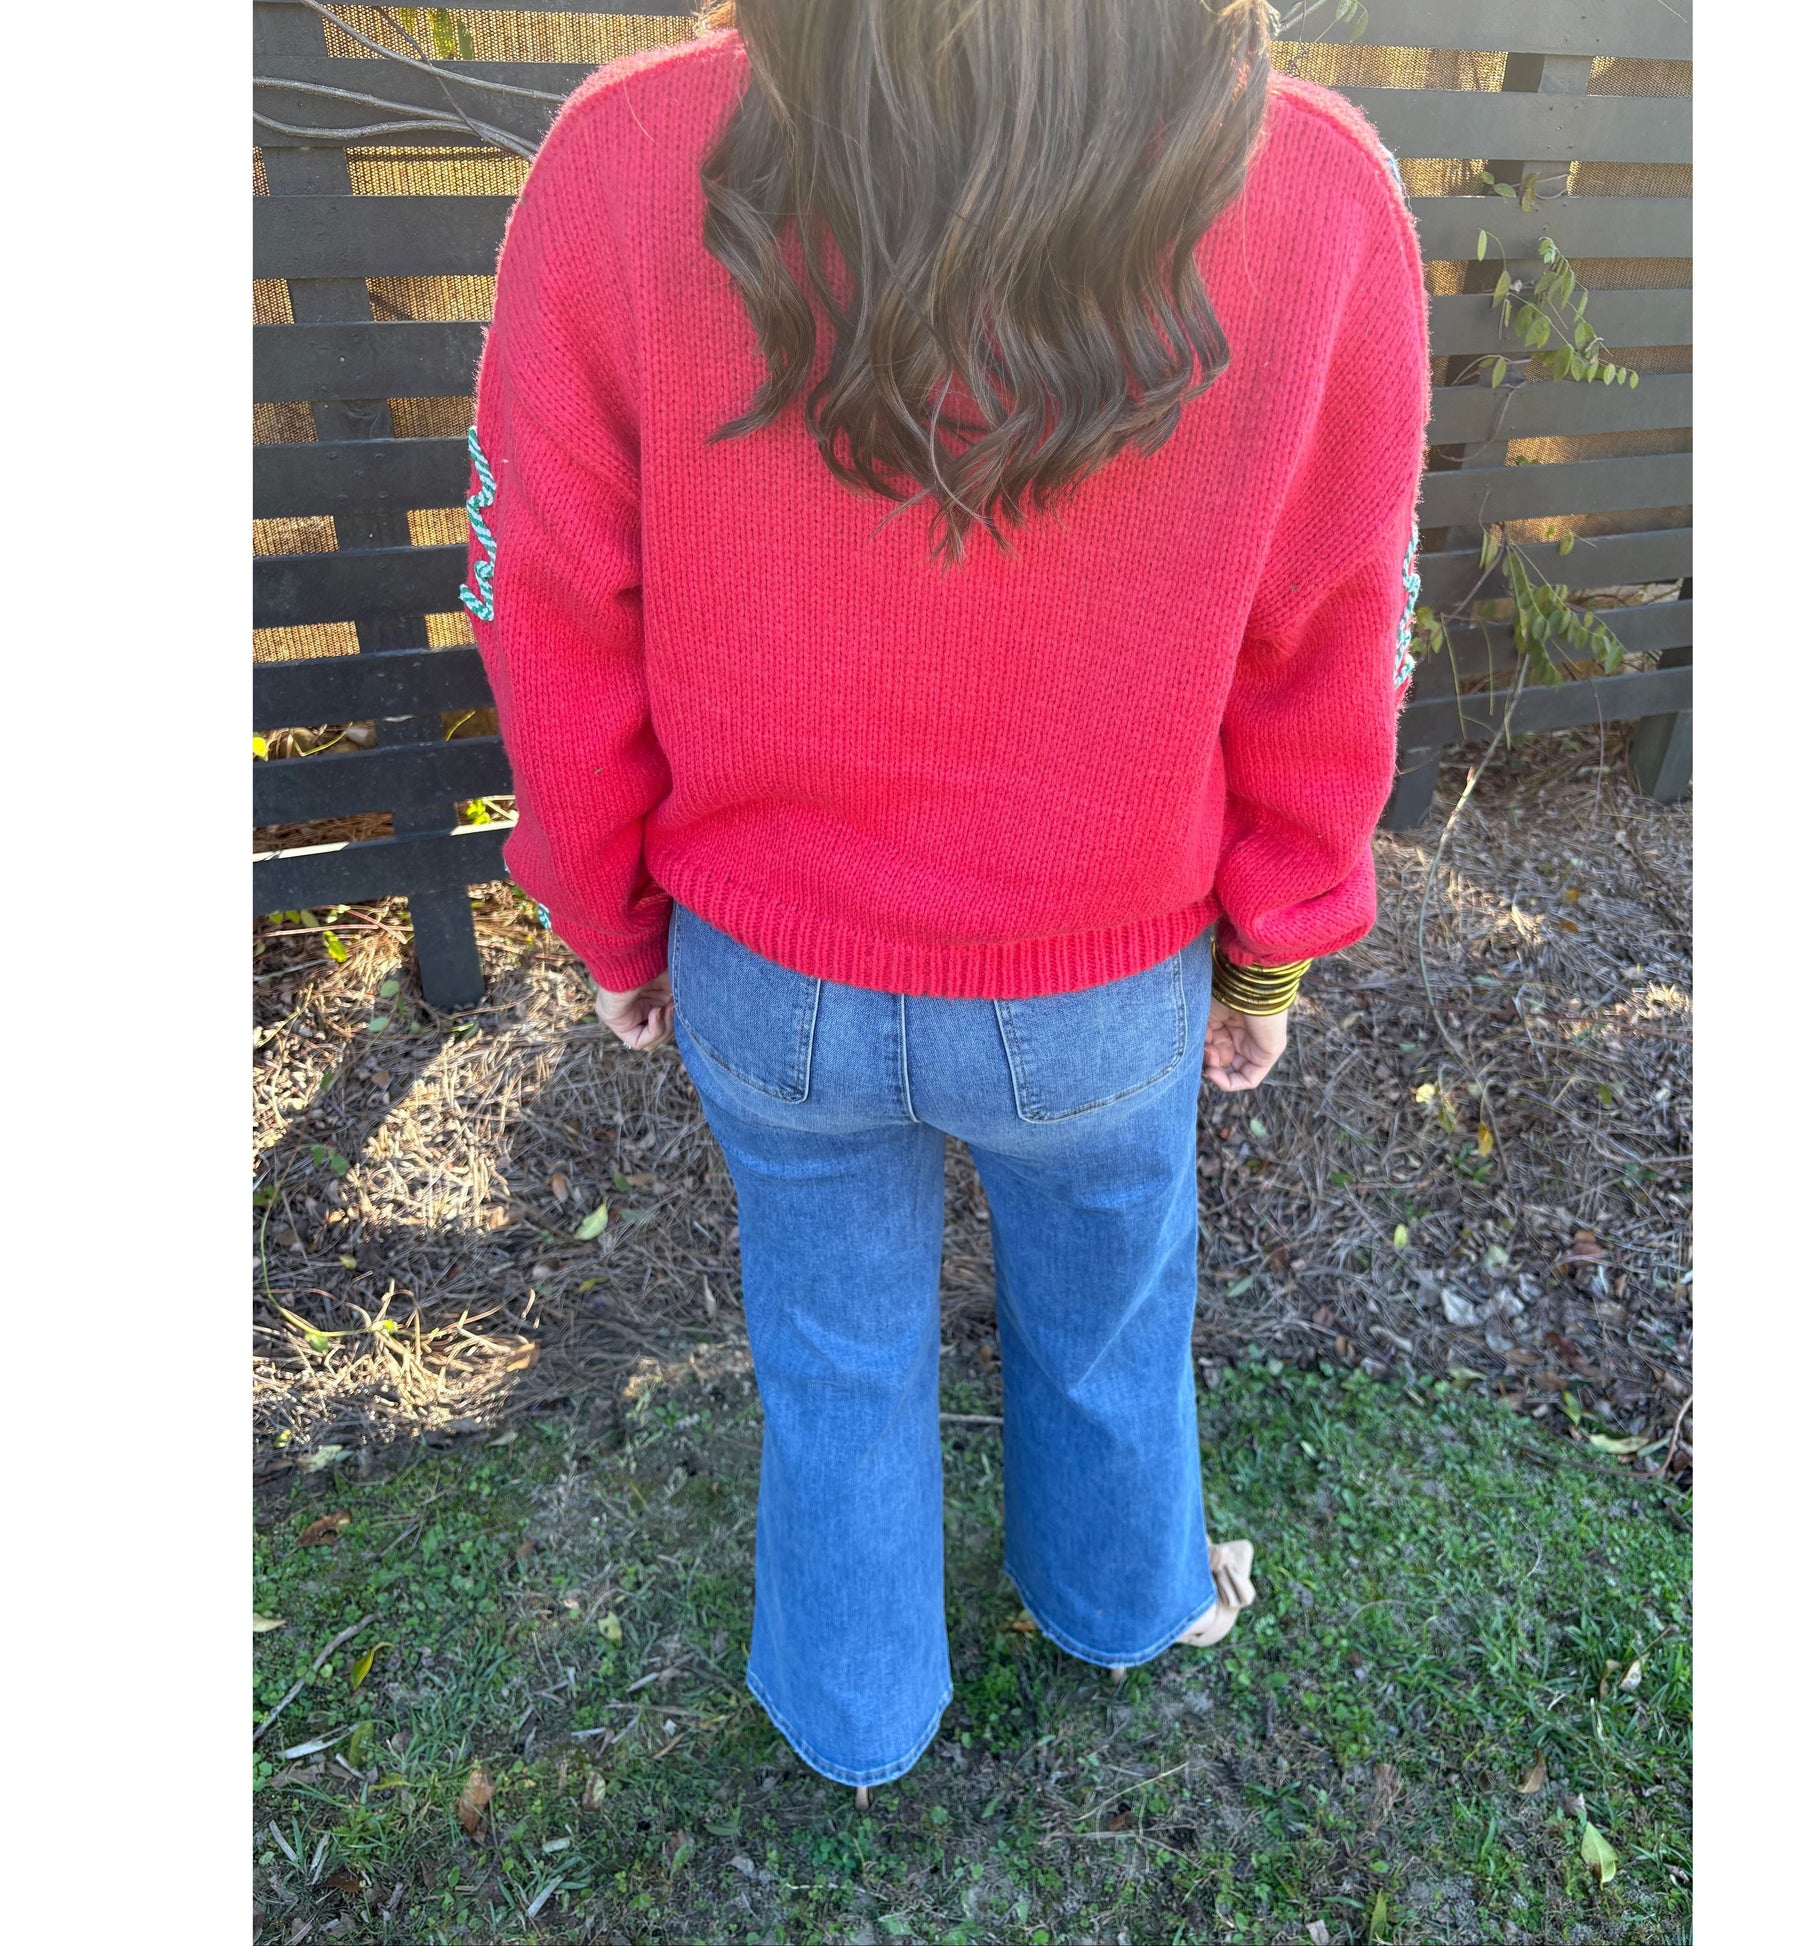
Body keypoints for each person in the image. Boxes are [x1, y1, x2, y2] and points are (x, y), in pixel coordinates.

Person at [462, 0, 1428, 1803]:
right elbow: (1338, 627)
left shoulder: (621, 159)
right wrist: (1274, 937)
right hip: (1102, 980)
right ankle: (1125, 1599)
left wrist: (601, 911)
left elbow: (547, 599)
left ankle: (854, 1708)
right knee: (1112, 1311)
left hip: (769, 965)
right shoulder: (1314, 185)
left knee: (830, 1353)